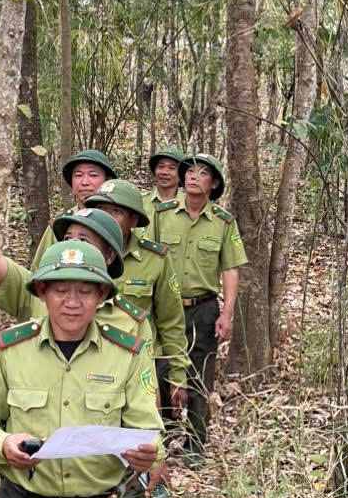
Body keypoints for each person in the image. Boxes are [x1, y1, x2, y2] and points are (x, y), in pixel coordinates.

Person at [0, 240, 163, 498]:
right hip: (23, 493)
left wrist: (148, 453)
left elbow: (148, 430)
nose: (72, 302)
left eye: (85, 292)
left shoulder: (128, 354)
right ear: (42, 292)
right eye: (60, 290)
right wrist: (3, 444)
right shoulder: (10, 350)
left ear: (101, 296)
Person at [0, 171, 152, 339]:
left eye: (84, 240)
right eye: (68, 238)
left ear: (109, 256)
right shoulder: (38, 295)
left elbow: (142, 394)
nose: (73, 246)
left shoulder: (130, 323)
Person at [155, 153, 247, 463]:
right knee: (163, 370)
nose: (193, 177)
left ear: (214, 183)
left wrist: (227, 312)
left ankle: (195, 445)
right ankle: (167, 435)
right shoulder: (163, 214)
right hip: (165, 309)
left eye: (203, 173)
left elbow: (231, 268)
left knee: (199, 376)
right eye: (189, 171)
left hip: (203, 308)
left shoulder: (223, 222)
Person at [83, 179, 189, 417]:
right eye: (101, 210)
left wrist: (177, 375)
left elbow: (171, 321)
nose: (107, 217)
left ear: (133, 220)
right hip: (87, 365)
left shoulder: (155, 259)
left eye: (116, 211)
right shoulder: (80, 252)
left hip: (137, 367)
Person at [30, 150, 118, 271]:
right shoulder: (60, 225)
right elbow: (38, 272)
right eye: (78, 175)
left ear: (108, 181)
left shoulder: (122, 220)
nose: (85, 182)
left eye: (93, 175)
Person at [142, 147, 184, 242]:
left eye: (172, 168)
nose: (165, 172)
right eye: (161, 167)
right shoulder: (139, 202)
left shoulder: (188, 206)